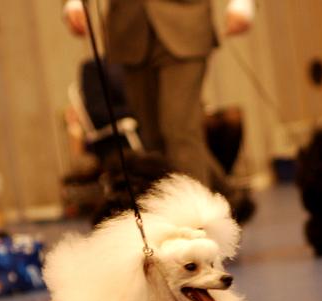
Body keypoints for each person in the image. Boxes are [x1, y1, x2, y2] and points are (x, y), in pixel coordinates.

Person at [63, 0, 254, 185]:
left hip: (185, 21)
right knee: (152, 138)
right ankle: (228, 197)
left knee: (179, 129)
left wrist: (242, 2)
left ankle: (193, 216)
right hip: (129, 29)